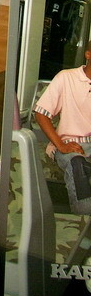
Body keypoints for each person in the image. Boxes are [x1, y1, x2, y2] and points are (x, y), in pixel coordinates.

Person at [34, 43, 91, 214]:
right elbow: (41, 114)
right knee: (77, 164)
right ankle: (84, 223)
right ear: (88, 55)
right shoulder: (66, 78)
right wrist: (61, 145)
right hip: (70, 144)